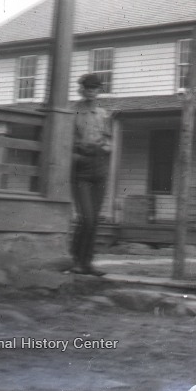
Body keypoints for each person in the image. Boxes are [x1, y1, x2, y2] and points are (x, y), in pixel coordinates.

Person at [69, 73, 113, 276]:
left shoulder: (103, 114)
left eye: (94, 89)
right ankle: (76, 260)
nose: (91, 92)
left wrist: (106, 148)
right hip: (81, 167)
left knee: (94, 219)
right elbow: (66, 139)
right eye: (87, 88)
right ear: (82, 90)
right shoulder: (73, 112)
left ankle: (87, 263)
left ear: (99, 91)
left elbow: (109, 139)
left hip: (100, 166)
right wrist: (77, 156)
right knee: (86, 218)